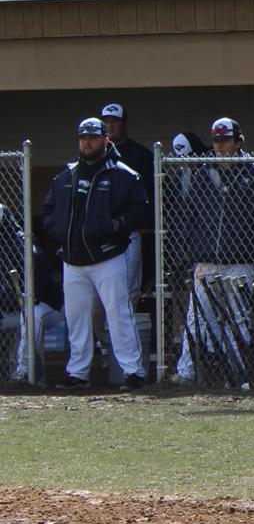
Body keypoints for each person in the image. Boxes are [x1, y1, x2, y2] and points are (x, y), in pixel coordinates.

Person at [41, 117, 150, 388]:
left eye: (92, 137)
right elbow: (49, 211)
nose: (87, 142)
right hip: (73, 259)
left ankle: (133, 371)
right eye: (83, 137)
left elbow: (139, 211)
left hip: (108, 257)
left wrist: (112, 227)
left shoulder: (123, 174)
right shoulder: (67, 175)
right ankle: (78, 373)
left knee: (118, 313)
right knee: (77, 318)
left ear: (105, 140)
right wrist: (61, 235)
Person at [171, 118, 254, 385]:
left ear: (238, 141)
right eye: (217, 141)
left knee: (241, 319)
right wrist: (191, 255)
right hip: (207, 260)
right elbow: (189, 218)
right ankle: (186, 372)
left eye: (225, 141)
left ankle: (240, 373)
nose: (221, 147)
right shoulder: (202, 173)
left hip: (241, 261)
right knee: (197, 318)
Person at [99, 102, 154, 302]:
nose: (110, 126)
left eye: (115, 122)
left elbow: (153, 195)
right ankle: (104, 334)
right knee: (101, 294)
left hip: (131, 233)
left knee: (128, 293)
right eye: (106, 122)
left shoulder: (142, 156)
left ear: (124, 124)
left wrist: (147, 225)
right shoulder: (93, 157)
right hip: (100, 233)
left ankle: (125, 332)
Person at [1, 209, 62, 383]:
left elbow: (41, 294)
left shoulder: (28, 250)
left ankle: (25, 370)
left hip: (47, 307)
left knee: (31, 314)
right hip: (9, 309)